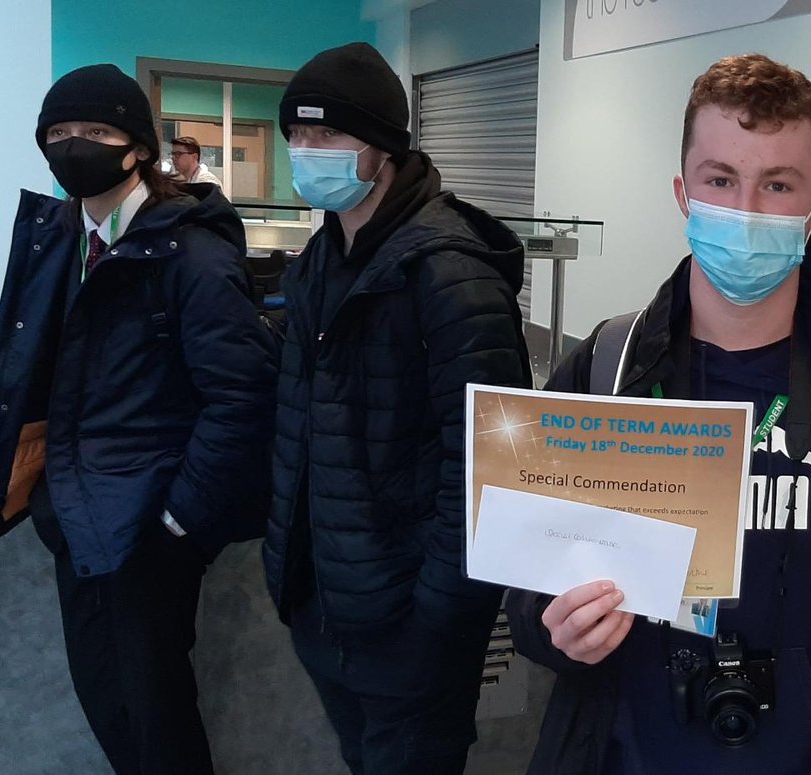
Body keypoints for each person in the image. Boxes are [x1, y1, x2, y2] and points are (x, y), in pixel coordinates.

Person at [508, 54, 811, 775]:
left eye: (778, 185)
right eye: (721, 180)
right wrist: (555, 630)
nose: (746, 210)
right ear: (683, 193)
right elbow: (529, 586)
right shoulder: (608, 368)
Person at [0, 63, 277, 775]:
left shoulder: (187, 251)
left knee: (156, 714)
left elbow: (243, 396)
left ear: (137, 147)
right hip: (74, 515)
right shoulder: (58, 238)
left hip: (147, 530)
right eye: (59, 133)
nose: (74, 145)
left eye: (94, 131)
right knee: (107, 702)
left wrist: (176, 522)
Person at [262, 42, 530, 775]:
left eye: (329, 136)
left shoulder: (451, 276)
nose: (306, 152)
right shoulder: (320, 262)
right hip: (331, 607)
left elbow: (488, 475)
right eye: (298, 135)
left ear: (382, 147)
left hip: (411, 632)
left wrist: (436, 623)